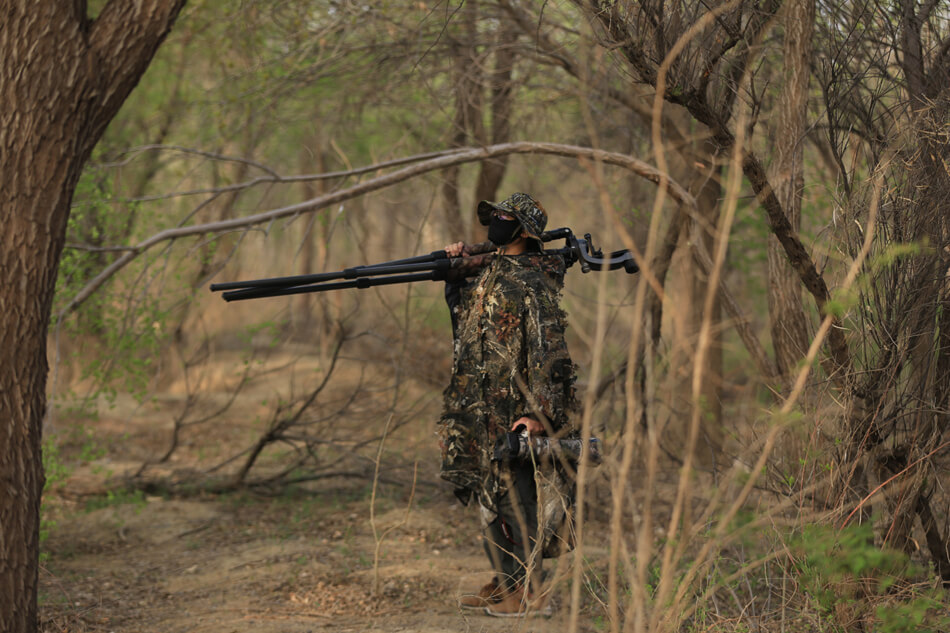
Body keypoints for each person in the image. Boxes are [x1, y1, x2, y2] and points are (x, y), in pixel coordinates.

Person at [438, 192, 578, 618]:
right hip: (482, 406)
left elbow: (550, 349)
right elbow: (467, 321)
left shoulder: (532, 280)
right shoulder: (493, 272)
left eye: (505, 218)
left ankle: (529, 593)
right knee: (490, 499)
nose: (495, 221)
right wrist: (454, 272)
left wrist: (538, 414)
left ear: (522, 231)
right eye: (495, 214)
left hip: (515, 412)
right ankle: (505, 583)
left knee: (516, 503)